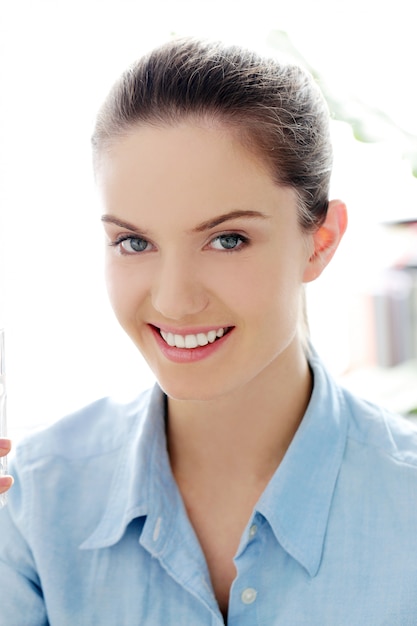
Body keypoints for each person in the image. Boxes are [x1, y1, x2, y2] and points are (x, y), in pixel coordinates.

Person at [1, 38, 417, 626]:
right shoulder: (29, 504)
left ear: (320, 241)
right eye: (134, 242)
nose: (174, 300)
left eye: (227, 240)